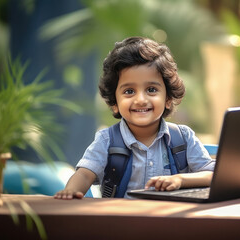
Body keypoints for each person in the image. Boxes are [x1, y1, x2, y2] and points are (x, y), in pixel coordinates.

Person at [54, 37, 215, 199]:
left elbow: (213, 175)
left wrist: (180, 179)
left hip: (170, 222)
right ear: (115, 102)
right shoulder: (107, 140)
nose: (140, 100)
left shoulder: (183, 138)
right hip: (121, 222)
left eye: (151, 89)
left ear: (167, 99)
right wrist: (71, 190)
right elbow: (85, 174)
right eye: (129, 91)